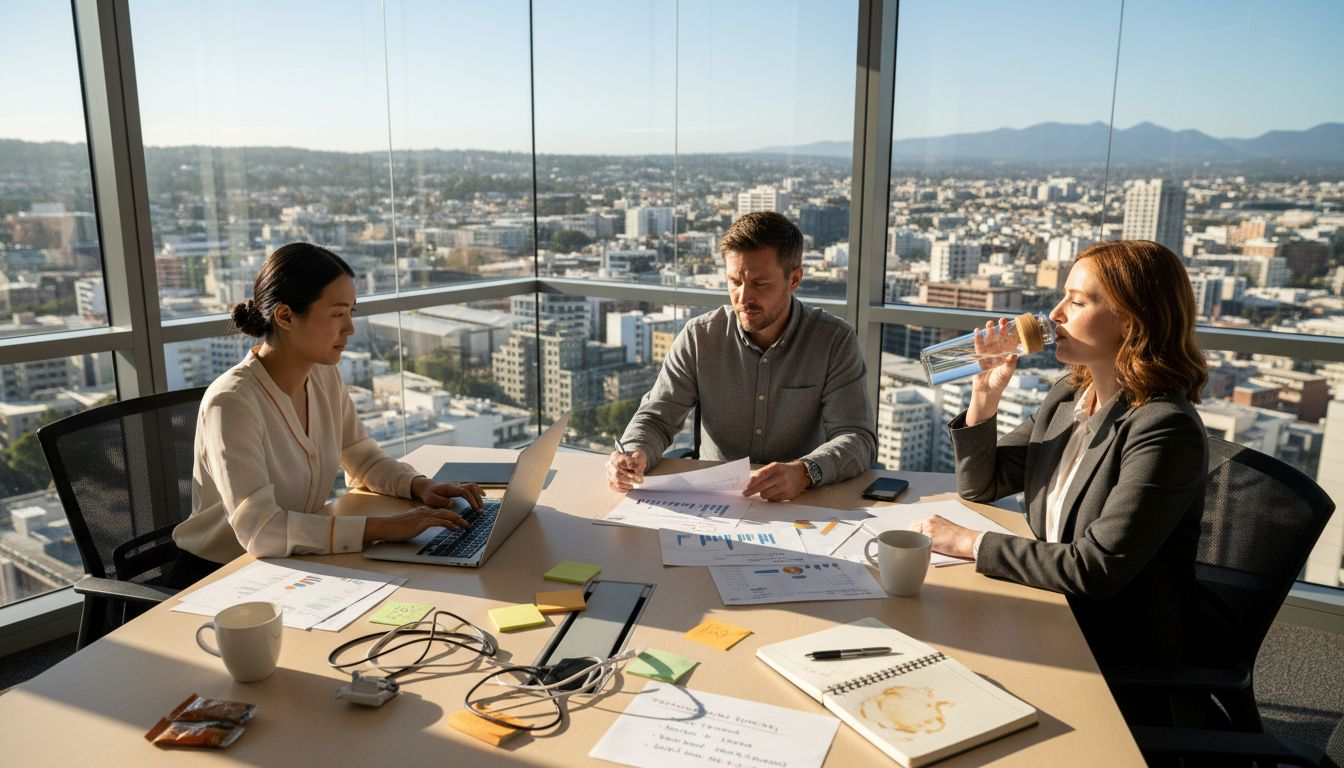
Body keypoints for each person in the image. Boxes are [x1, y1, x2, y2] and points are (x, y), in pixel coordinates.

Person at [911, 239, 1209, 679]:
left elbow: (1094, 568)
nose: (1054, 315)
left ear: (1131, 321)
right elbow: (983, 484)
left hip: (1109, 651)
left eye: (1077, 301)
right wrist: (984, 397)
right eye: (1062, 297)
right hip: (1045, 606)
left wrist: (968, 542)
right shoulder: (1069, 396)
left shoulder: (1164, 429)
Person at [170, 243, 483, 583]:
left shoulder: (322, 373)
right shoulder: (231, 402)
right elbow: (262, 531)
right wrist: (382, 528)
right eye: (337, 314)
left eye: (351, 312)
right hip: (221, 576)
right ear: (286, 316)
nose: (350, 328)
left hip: (294, 562)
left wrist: (418, 485)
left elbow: (362, 458)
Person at [606, 211, 876, 502]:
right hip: (713, 503)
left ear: (794, 279)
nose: (743, 297)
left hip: (800, 502)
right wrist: (634, 454)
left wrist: (806, 471)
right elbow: (657, 419)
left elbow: (857, 438)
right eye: (734, 281)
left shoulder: (834, 340)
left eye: (760, 284)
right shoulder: (700, 337)